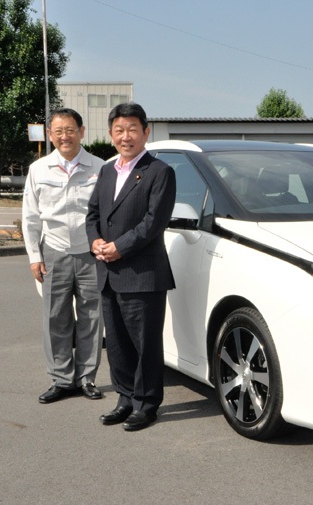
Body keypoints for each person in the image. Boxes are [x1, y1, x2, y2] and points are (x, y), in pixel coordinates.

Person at [86, 102, 176, 431]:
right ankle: (125, 399)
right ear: (111, 135)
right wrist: (95, 240)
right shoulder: (109, 170)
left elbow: (154, 223)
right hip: (109, 274)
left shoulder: (160, 172)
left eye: (133, 130)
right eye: (120, 130)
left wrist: (118, 248)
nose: (127, 137)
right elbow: (93, 213)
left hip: (143, 275)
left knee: (145, 344)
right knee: (118, 344)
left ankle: (147, 403)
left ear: (145, 132)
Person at [22, 108, 105, 404]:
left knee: (91, 317)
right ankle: (61, 379)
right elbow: (30, 218)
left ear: (82, 131)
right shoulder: (39, 169)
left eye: (70, 130)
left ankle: (86, 378)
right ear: (50, 135)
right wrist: (34, 255)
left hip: (90, 252)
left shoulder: (99, 167)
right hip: (54, 250)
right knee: (55, 317)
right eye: (58, 131)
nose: (64, 136)